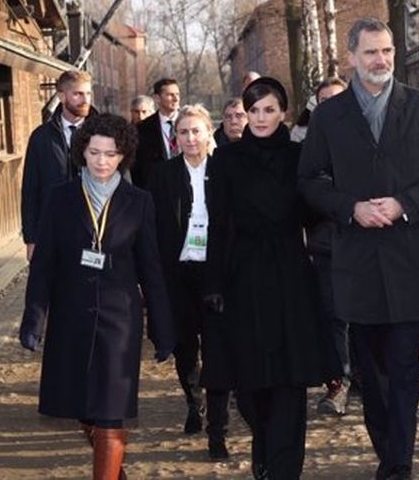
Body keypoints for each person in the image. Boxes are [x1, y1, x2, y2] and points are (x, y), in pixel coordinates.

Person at [298, 18, 419, 480]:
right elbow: (309, 181)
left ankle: (398, 463)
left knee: (405, 365)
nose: (381, 61)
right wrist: (350, 208)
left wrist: (404, 204)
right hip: (357, 263)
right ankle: (388, 450)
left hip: (410, 259)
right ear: (351, 57)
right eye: (371, 52)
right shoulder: (329, 116)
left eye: (387, 51)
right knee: (371, 371)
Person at [19, 113, 175, 480]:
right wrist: (33, 320)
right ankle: (114, 468)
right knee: (83, 407)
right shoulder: (60, 199)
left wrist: (163, 329)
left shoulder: (139, 202)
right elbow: (43, 266)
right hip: (71, 316)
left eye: (111, 153)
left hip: (120, 322)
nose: (102, 161)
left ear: (123, 156)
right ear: (82, 153)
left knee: (111, 409)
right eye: (94, 152)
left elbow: (151, 269)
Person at [204, 77, 336, 479]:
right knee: (249, 386)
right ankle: (264, 450)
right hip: (242, 276)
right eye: (253, 110)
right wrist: (214, 283)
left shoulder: (301, 157)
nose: (260, 118)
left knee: (289, 384)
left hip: (290, 275)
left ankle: (283, 468)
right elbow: (219, 224)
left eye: (269, 110)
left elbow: (316, 213)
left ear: (283, 113)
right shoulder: (225, 160)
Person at [147, 105, 231, 460]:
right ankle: (193, 401)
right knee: (186, 350)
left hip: (217, 273)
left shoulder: (225, 170)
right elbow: (152, 228)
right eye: (184, 133)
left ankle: (218, 431)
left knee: (218, 351)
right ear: (175, 138)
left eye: (197, 131)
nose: (191, 139)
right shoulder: (161, 175)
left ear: (209, 133)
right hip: (178, 273)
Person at [303, 76, 354, 416]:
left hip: (365, 243)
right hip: (325, 244)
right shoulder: (308, 146)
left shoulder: (367, 138)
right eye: (325, 100)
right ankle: (338, 381)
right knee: (333, 315)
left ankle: (363, 377)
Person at [21, 69, 94, 261]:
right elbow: (30, 190)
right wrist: (31, 239)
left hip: (96, 229)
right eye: (78, 94)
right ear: (61, 96)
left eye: (88, 93)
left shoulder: (104, 133)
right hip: (54, 230)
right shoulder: (41, 138)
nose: (85, 99)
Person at [132, 78, 181, 185]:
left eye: (177, 94)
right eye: (170, 95)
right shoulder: (142, 129)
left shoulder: (189, 122)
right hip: (156, 191)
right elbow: (137, 167)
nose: (176, 99)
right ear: (157, 98)